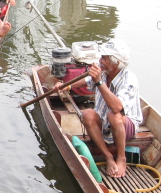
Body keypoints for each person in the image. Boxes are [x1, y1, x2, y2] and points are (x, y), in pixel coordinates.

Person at [54, 39, 142, 178]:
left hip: (124, 126)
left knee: (114, 115)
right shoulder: (106, 72)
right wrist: (68, 85)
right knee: (88, 113)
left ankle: (121, 158)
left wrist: (99, 82)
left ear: (116, 63)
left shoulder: (129, 79)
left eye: (105, 58)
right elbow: (86, 81)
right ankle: (108, 156)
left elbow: (117, 107)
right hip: (105, 122)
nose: (100, 60)